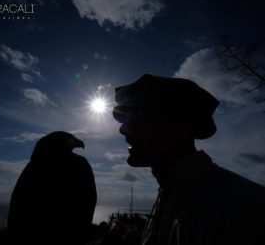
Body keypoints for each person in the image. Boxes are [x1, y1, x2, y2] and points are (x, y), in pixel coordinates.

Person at [112, 74, 265, 245]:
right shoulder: (173, 190)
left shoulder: (245, 208)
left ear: (178, 128)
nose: (123, 130)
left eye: (136, 119)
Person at [5, 131, 97, 245]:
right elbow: (87, 204)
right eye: (68, 141)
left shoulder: (32, 168)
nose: (78, 143)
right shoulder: (80, 165)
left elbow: (16, 208)